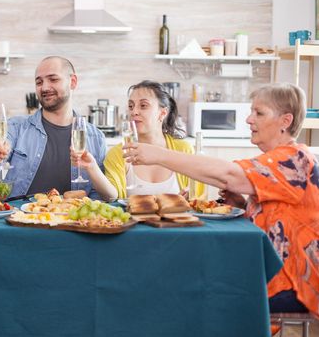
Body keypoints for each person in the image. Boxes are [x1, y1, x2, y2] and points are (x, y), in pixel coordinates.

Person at [124, 82, 319, 317]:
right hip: (275, 271)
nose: (249, 119)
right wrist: (243, 205)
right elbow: (281, 218)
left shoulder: (295, 160)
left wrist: (158, 155)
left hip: (293, 283)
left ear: (285, 121)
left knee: (190, 286)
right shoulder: (279, 158)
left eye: (259, 113)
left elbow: (228, 176)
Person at [0, 56, 107, 198]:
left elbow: (100, 196)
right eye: (39, 82)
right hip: (19, 216)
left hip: (71, 218)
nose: (45, 87)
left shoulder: (96, 138)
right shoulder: (17, 127)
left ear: (72, 82)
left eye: (53, 79)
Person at [71, 80, 201, 201]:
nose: (134, 112)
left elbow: (199, 197)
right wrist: (92, 167)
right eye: (131, 106)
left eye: (143, 106)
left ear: (162, 113)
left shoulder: (184, 150)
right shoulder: (118, 154)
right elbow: (111, 197)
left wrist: (192, 194)